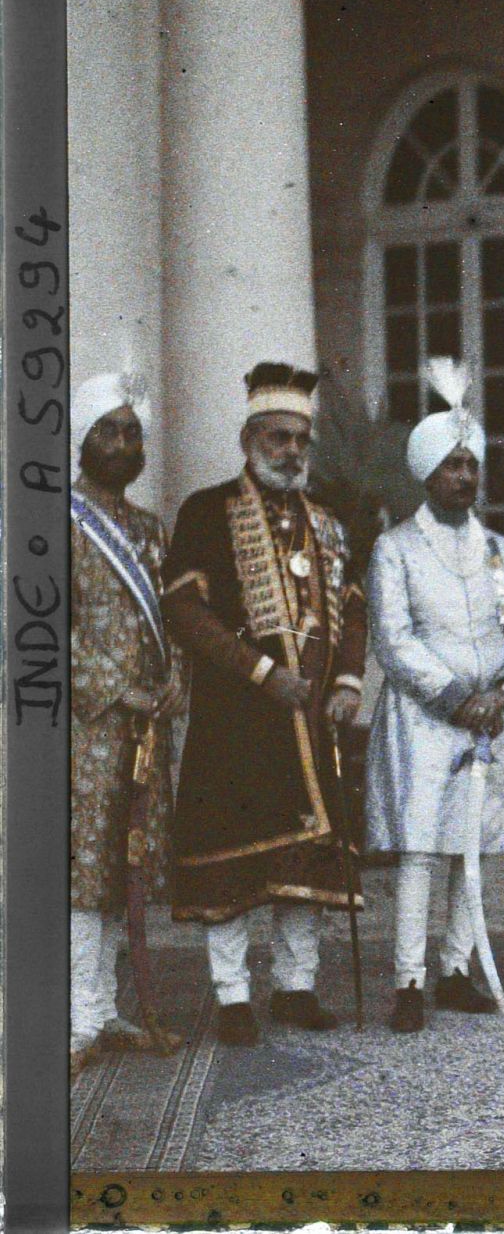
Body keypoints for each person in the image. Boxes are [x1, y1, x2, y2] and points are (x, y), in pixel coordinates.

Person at [164, 363, 369, 1046]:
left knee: (307, 857)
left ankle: (296, 986)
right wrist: (258, 670)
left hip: (311, 718)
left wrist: (347, 682)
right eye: (279, 437)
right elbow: (184, 610)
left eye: (301, 439)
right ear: (249, 439)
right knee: (231, 854)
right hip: (236, 719)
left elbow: (353, 608)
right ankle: (231, 996)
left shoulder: (327, 521)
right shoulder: (206, 510)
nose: (291, 450)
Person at [365, 361, 504, 1032]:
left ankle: (455, 967)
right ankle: (409, 980)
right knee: (420, 848)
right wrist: (452, 697)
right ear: (427, 473)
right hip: (425, 718)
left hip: (493, 719)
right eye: (452, 466)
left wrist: (502, 689)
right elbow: (394, 638)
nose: (465, 477)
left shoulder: (501, 550)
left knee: (475, 845)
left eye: (471, 465)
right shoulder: (395, 548)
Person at [70, 373, 187, 1073]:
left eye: (132, 433)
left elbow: (174, 622)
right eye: (108, 432)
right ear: (82, 441)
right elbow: (40, 630)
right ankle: (75, 1019)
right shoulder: (55, 523)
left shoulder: (149, 528)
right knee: (85, 869)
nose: (122, 444)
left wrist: (176, 684)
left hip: (146, 731)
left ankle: (105, 1008)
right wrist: (118, 691)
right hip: (85, 729)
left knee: (126, 863)